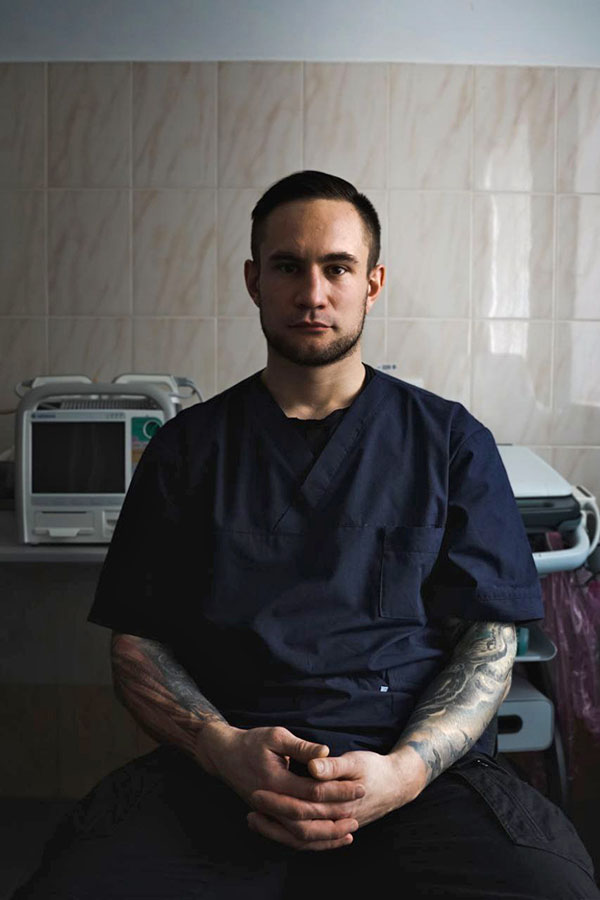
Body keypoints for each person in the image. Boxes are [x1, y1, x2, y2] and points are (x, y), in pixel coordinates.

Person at [14, 171, 599, 899]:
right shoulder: (187, 451)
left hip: (414, 774)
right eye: (289, 266)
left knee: (550, 888)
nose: (313, 292)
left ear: (372, 283)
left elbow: (489, 638)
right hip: (222, 773)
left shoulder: (448, 442)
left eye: (337, 267)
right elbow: (137, 642)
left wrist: (405, 771)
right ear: (255, 280)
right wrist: (221, 748)